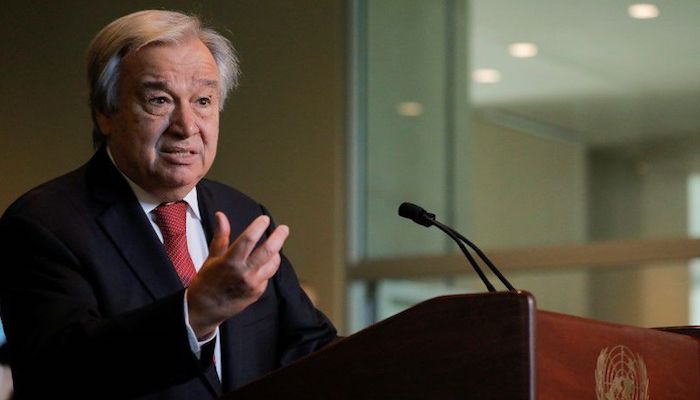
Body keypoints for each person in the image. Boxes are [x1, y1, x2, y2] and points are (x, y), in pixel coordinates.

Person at [0, 10, 336, 399]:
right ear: (106, 113)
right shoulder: (43, 223)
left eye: (204, 100)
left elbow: (309, 349)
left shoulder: (245, 214)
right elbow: (62, 372)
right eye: (159, 100)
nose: (187, 125)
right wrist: (195, 313)